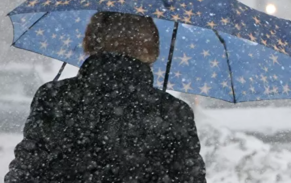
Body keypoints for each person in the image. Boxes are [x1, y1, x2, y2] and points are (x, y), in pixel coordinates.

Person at [5, 11, 207, 183]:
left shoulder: (54, 97)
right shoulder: (173, 111)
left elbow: (26, 171)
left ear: (90, 41)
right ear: (151, 49)